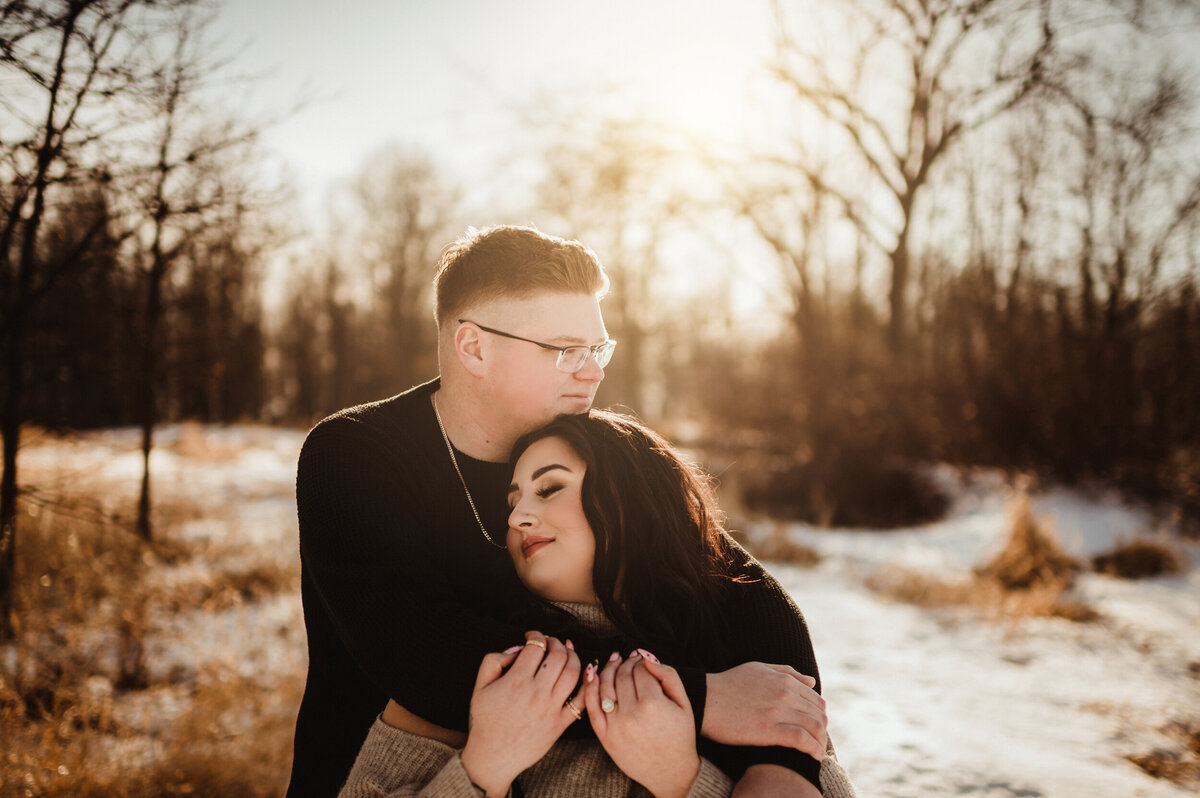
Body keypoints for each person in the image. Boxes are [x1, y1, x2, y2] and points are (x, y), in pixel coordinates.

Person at [289, 225, 828, 796]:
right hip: (377, 776)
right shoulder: (355, 453)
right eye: (566, 351)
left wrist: (782, 762)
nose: (593, 372)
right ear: (473, 346)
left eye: (597, 349)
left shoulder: (590, 445)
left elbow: (741, 591)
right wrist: (698, 697)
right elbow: (424, 654)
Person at [338, 410, 857, 797]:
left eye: (550, 488)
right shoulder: (474, 662)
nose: (518, 517)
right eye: (512, 500)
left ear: (630, 502)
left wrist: (683, 778)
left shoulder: (741, 674)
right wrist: (482, 768)